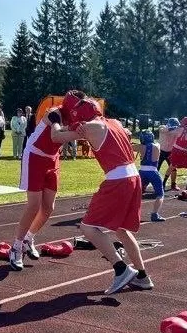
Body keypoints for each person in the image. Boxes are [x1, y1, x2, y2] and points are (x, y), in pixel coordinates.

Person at [61, 90, 152, 294]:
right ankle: (143, 276)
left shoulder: (91, 126)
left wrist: (53, 121)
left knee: (88, 227)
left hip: (118, 179)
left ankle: (121, 269)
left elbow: (56, 136)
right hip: (133, 176)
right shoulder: (116, 122)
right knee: (121, 229)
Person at [7, 105, 79, 271]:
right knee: (33, 205)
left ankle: (28, 238)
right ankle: (16, 247)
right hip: (35, 156)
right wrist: (75, 129)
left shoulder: (76, 117)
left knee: (48, 207)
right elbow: (56, 136)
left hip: (52, 159)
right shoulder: (55, 113)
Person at [138, 130, 166, 222]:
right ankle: (155, 214)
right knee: (160, 194)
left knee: (137, 194)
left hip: (142, 171)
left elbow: (127, 146)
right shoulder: (157, 145)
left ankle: (129, 213)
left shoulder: (140, 147)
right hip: (153, 172)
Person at [167, 117, 187, 193]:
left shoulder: (178, 129)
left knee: (172, 166)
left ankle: (163, 183)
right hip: (183, 151)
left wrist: (178, 126)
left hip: (175, 149)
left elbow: (170, 131)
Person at [158, 118, 182, 189]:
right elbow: (165, 130)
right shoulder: (162, 127)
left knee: (173, 169)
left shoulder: (176, 130)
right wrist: (176, 127)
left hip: (170, 152)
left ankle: (173, 184)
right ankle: (146, 185)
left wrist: (179, 127)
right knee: (155, 168)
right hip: (160, 151)